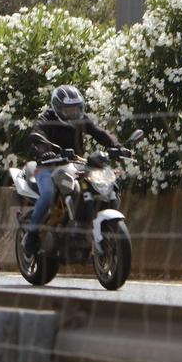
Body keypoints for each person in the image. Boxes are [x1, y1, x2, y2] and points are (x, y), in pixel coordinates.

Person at [21, 84, 124, 252]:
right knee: (47, 194)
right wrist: (45, 153)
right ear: (58, 108)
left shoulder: (81, 119)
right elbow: (38, 135)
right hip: (47, 167)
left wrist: (117, 146)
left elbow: (99, 132)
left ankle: (81, 225)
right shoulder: (48, 118)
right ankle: (31, 235)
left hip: (74, 165)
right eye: (69, 109)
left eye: (76, 108)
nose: (73, 113)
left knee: (98, 183)